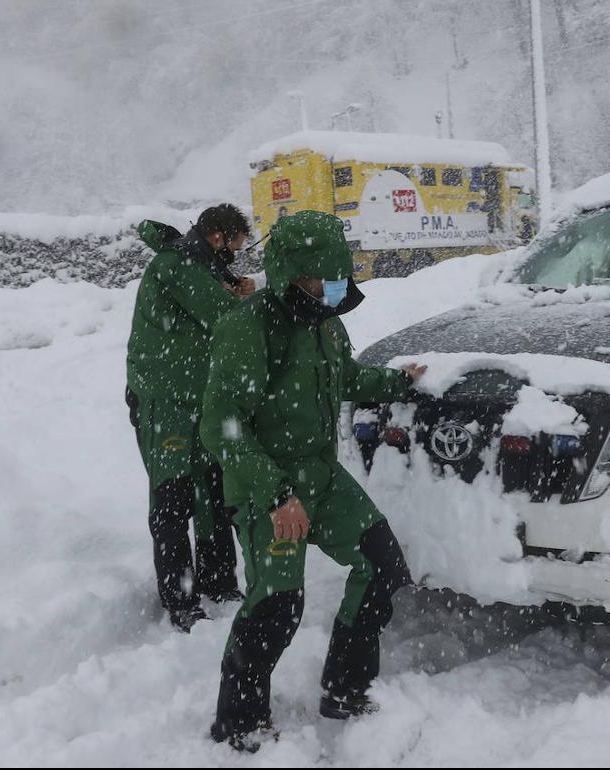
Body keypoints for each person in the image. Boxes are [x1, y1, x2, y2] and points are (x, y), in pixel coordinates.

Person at [201, 210, 426, 750]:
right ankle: (240, 721)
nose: (331, 290)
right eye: (320, 280)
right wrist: (276, 495)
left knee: (382, 566)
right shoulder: (248, 328)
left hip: (321, 477)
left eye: (337, 280)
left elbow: (344, 377)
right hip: (268, 487)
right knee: (278, 604)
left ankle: (345, 690)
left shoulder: (326, 320)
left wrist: (397, 380)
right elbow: (221, 425)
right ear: (288, 275)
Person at [125, 203, 255, 632]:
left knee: (215, 492)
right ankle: (180, 600)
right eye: (233, 248)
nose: (233, 257)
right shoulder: (176, 265)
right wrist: (251, 300)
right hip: (167, 406)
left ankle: (218, 582)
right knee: (173, 501)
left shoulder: (198, 266)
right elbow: (225, 317)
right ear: (217, 236)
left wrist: (230, 285)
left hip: (198, 401)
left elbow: (213, 301)